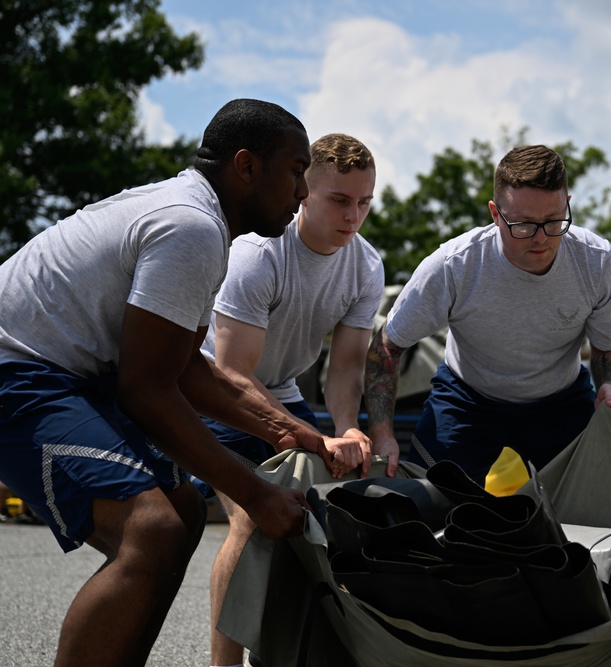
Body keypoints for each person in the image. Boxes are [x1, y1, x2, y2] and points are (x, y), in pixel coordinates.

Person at [0, 99, 360, 667]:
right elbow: (146, 391)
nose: (301, 190)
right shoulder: (192, 228)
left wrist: (297, 434)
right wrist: (256, 493)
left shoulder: (200, 220)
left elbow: (188, 368)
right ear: (246, 166)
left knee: (184, 513)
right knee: (151, 529)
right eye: (295, 171)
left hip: (65, 373)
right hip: (17, 372)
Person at [204, 133, 382, 667]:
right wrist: (314, 435)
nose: (354, 215)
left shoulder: (366, 267)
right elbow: (234, 373)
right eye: (340, 200)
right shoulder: (257, 254)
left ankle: (292, 652)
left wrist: (347, 428)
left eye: (365, 202)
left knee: (322, 518)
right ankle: (223, 664)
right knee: (252, 516)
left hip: (279, 393)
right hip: (211, 394)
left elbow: (346, 368)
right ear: (304, 192)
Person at [365, 144, 611, 486]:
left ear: (567, 204)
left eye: (553, 222)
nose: (541, 239)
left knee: (589, 506)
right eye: (523, 225)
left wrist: (609, 384)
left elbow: (610, 347)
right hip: (467, 399)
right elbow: (386, 347)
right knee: (426, 497)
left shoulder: (597, 261)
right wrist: (382, 433)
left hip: (560, 401)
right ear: (495, 213)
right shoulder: (453, 266)